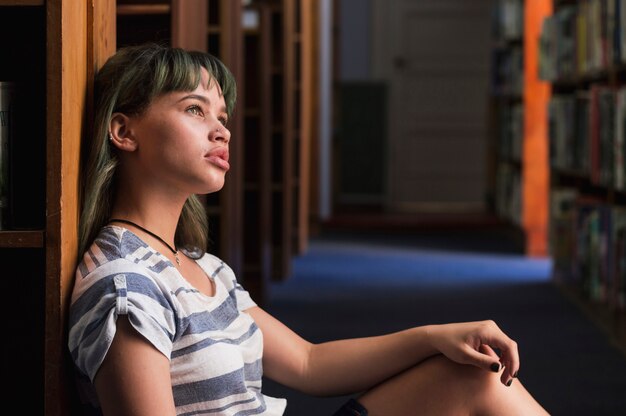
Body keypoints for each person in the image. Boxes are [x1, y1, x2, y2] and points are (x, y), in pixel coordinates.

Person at [67, 42, 549, 416]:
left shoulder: (199, 266)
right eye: (195, 110)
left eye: (222, 117)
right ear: (124, 132)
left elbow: (307, 362)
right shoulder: (126, 285)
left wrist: (437, 336)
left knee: (474, 377)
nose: (222, 131)